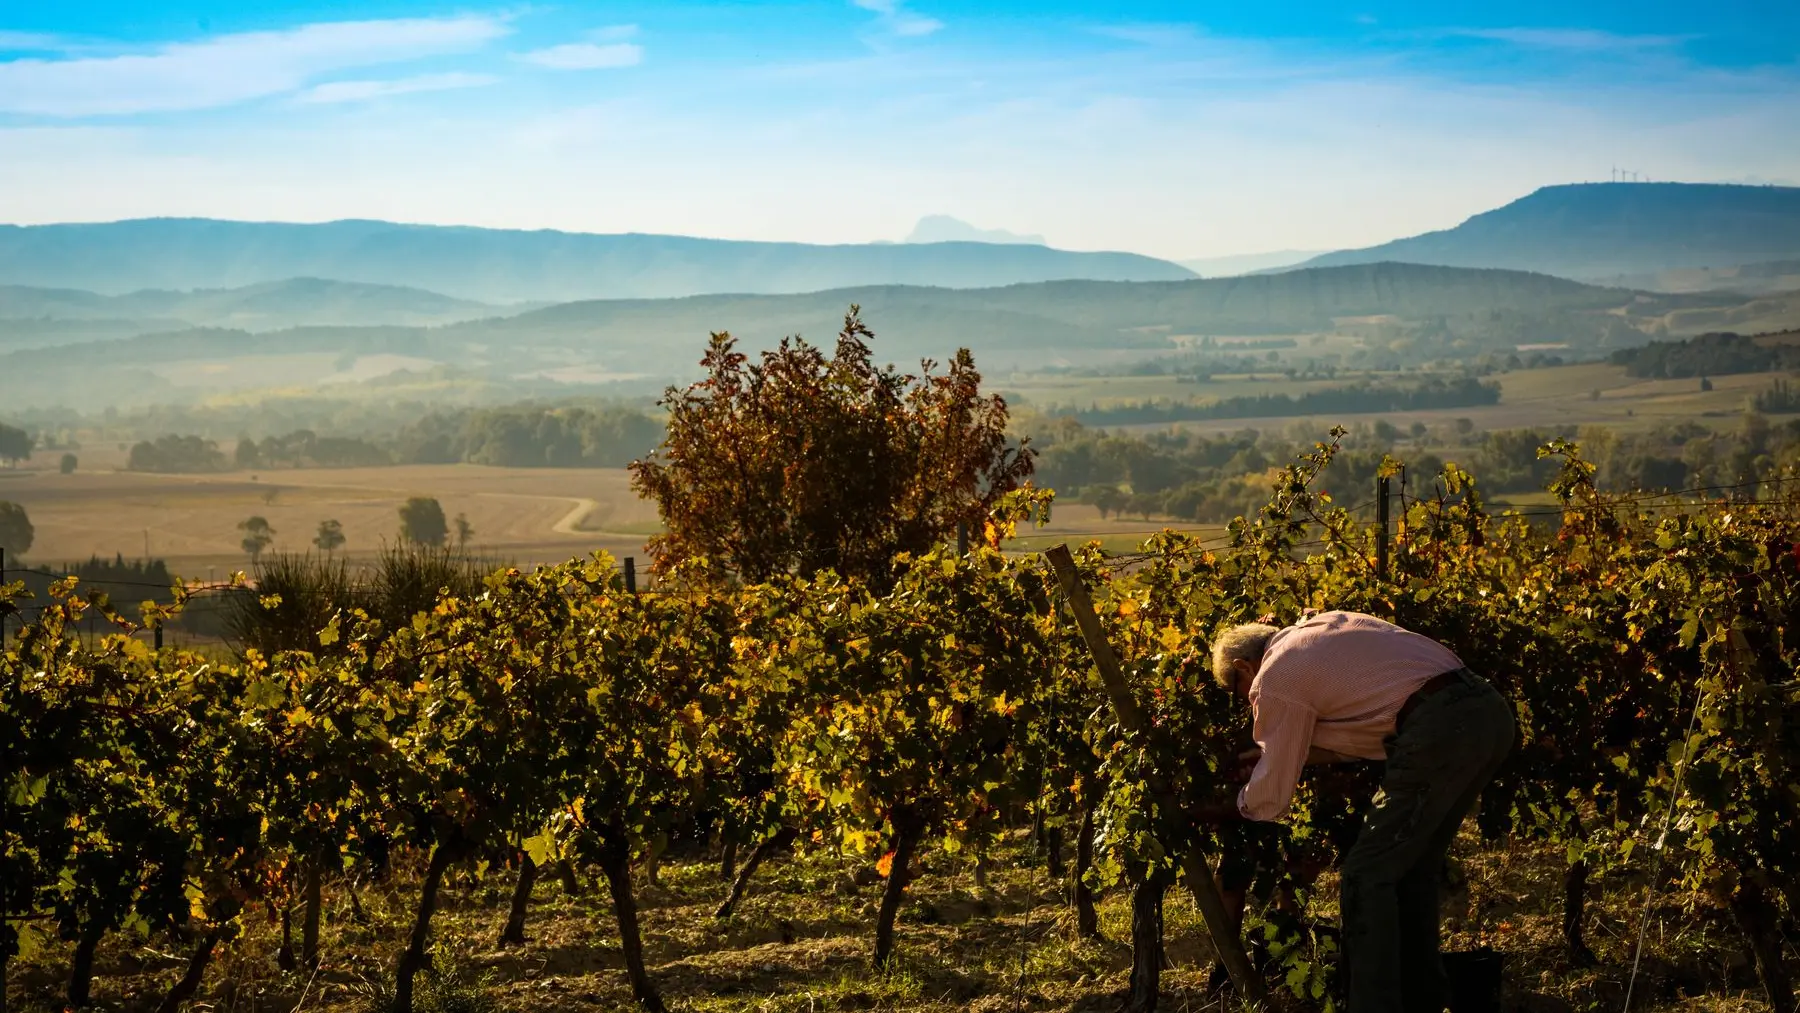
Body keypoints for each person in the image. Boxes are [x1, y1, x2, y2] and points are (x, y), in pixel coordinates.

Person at [1199, 610, 1515, 1013]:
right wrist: (1281, 758)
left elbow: (1269, 799)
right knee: (1411, 870)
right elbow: (1363, 731)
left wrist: (1224, 807)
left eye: (1236, 689)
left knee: (1366, 875)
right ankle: (1424, 1002)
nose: (1246, 699)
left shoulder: (1274, 675)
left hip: (1440, 727)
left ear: (1245, 666)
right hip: (1486, 713)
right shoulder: (1316, 633)